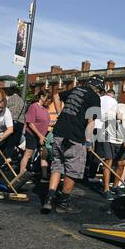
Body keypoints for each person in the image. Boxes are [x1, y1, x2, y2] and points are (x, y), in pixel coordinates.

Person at [41, 75, 102, 214]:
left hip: (58, 133)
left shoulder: (75, 90)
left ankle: (49, 199)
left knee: (58, 165)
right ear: (98, 88)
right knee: (73, 169)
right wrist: (88, 141)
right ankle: (63, 202)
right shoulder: (94, 97)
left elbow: (56, 95)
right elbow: (91, 122)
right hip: (75, 136)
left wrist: (60, 114)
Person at [99, 100, 125, 200]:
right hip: (108, 137)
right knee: (108, 161)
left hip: (121, 140)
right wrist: (115, 117)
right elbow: (103, 117)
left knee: (121, 163)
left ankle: (116, 186)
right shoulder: (119, 107)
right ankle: (106, 189)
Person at [19, 91, 51, 175]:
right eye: (47, 98)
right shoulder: (34, 107)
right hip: (32, 134)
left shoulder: (45, 108)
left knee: (44, 154)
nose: (48, 100)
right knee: (28, 153)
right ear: (41, 97)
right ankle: (21, 173)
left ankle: (44, 175)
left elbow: (45, 121)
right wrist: (39, 135)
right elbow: (30, 122)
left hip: (42, 135)